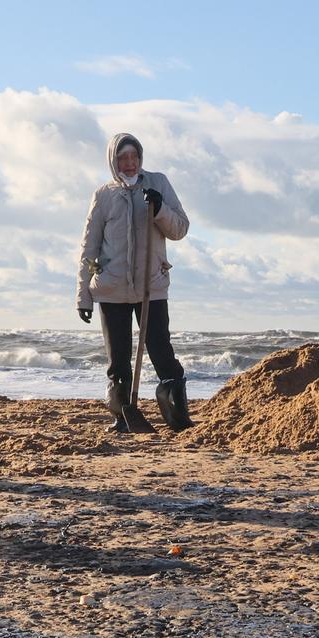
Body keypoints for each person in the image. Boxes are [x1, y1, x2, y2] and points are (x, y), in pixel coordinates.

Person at [75, 132, 192, 432]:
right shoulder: (102, 196)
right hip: (111, 289)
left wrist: (161, 208)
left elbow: (180, 229)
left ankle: (177, 417)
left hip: (150, 286)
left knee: (161, 350)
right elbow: (89, 248)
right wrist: (83, 296)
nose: (129, 163)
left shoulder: (159, 183)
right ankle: (122, 417)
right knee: (118, 360)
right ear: (113, 162)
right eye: (122, 158)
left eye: (134, 157)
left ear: (140, 159)